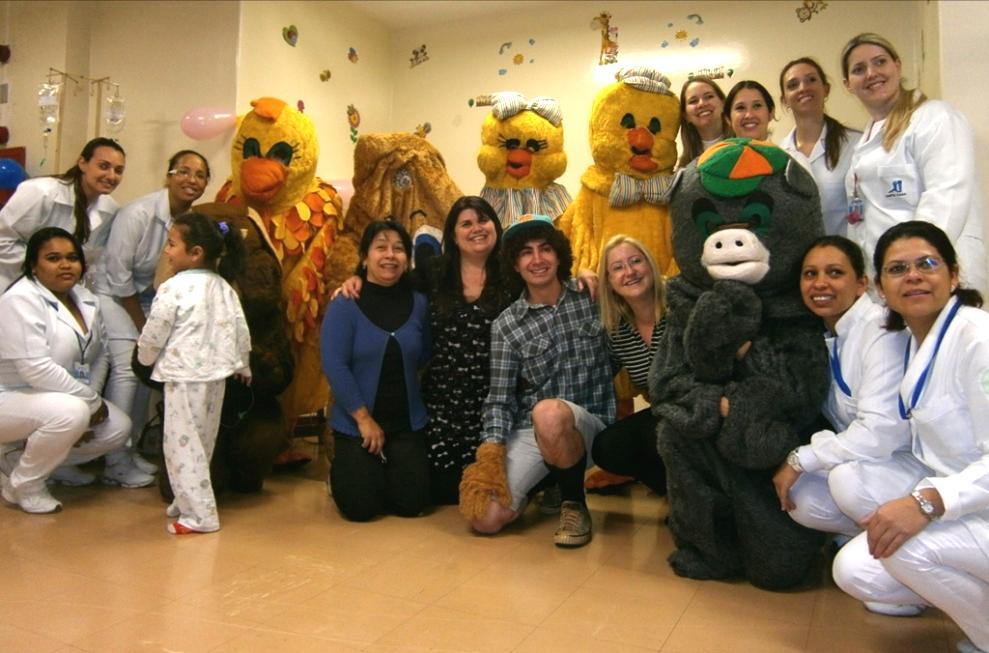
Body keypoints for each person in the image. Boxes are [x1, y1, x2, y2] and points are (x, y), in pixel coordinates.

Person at [830, 221, 989, 652]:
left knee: (902, 551)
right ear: (881, 288)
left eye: (927, 264)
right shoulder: (918, 341)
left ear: (953, 275)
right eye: (897, 269)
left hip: (975, 499)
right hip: (967, 500)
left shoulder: (977, 338)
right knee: (856, 570)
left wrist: (925, 503)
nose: (913, 275)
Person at [772, 237, 914, 614]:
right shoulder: (832, 334)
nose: (820, 283)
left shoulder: (881, 330)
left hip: (912, 466)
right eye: (810, 274)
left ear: (861, 284)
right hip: (879, 464)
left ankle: (909, 564)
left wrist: (802, 457)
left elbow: (880, 432)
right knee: (801, 497)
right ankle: (873, 547)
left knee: (843, 479)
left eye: (835, 273)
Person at [460, 214, 615, 548]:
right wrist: (491, 453)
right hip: (535, 430)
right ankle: (546, 481)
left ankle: (574, 504)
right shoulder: (506, 326)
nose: (537, 259)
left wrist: (595, 275)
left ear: (559, 255)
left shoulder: (593, 296)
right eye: (526, 252)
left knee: (549, 413)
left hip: (592, 428)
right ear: (515, 264)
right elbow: (499, 399)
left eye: (545, 249)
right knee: (484, 518)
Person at [95, 150, 211, 488]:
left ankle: (128, 453)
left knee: (149, 373)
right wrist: (144, 327)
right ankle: (114, 461)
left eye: (201, 175)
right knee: (130, 369)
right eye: (184, 171)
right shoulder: (138, 213)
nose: (192, 180)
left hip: (150, 298)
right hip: (114, 296)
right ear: (169, 175)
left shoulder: (192, 222)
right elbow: (118, 277)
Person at [840, 33, 986, 295]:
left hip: (932, 278)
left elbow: (945, 199)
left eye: (880, 62)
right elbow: (860, 219)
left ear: (897, 65)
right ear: (848, 84)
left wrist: (913, 267)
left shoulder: (935, 118)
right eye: (859, 69)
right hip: (889, 283)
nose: (871, 73)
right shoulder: (864, 143)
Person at [0, 228, 130, 513]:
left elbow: (98, 356)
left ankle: (33, 464)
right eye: (53, 258)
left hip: (55, 396)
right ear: (34, 264)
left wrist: (90, 401)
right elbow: (36, 369)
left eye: (72, 257)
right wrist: (89, 403)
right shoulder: (19, 299)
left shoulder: (85, 299)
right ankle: (23, 485)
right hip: (8, 395)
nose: (65, 265)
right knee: (71, 413)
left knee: (117, 428)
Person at [137, 212, 251, 534]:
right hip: (215, 378)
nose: (166, 251)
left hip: (185, 378)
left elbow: (155, 330)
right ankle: (186, 501)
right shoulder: (223, 287)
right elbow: (240, 329)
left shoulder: (174, 288)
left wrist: (144, 357)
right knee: (201, 442)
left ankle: (199, 516)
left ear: (196, 252)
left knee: (180, 446)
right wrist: (243, 364)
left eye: (172, 244)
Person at [321, 220, 431, 521]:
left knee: (413, 504)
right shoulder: (346, 302)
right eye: (381, 247)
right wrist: (363, 418)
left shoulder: (420, 303)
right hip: (358, 424)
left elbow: (425, 354)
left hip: (406, 422)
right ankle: (343, 473)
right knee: (361, 509)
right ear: (364, 256)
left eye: (398, 249)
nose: (390, 255)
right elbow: (334, 364)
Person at [589, 235, 667, 495]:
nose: (630, 272)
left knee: (655, 433)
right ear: (609, 281)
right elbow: (599, 375)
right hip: (662, 413)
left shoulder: (680, 301)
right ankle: (676, 494)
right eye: (618, 267)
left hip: (701, 409)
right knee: (607, 447)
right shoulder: (618, 330)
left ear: (650, 265)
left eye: (636, 261)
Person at [0, 137, 125, 291]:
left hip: (66, 291)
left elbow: (93, 260)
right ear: (82, 163)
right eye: (103, 166)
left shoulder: (111, 210)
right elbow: (3, 240)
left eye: (118, 170)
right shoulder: (40, 192)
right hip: (13, 283)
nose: (111, 176)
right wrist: (43, 271)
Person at [778, 58, 861, 236]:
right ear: (784, 100)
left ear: (826, 89)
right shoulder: (777, 154)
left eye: (811, 80)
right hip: (797, 260)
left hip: (845, 256)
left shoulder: (856, 144)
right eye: (793, 85)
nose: (803, 88)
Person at [677, 76, 729, 168]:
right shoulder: (684, 168)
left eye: (709, 96)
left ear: (723, 103)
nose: (702, 103)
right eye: (693, 101)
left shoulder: (744, 146)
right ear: (686, 116)